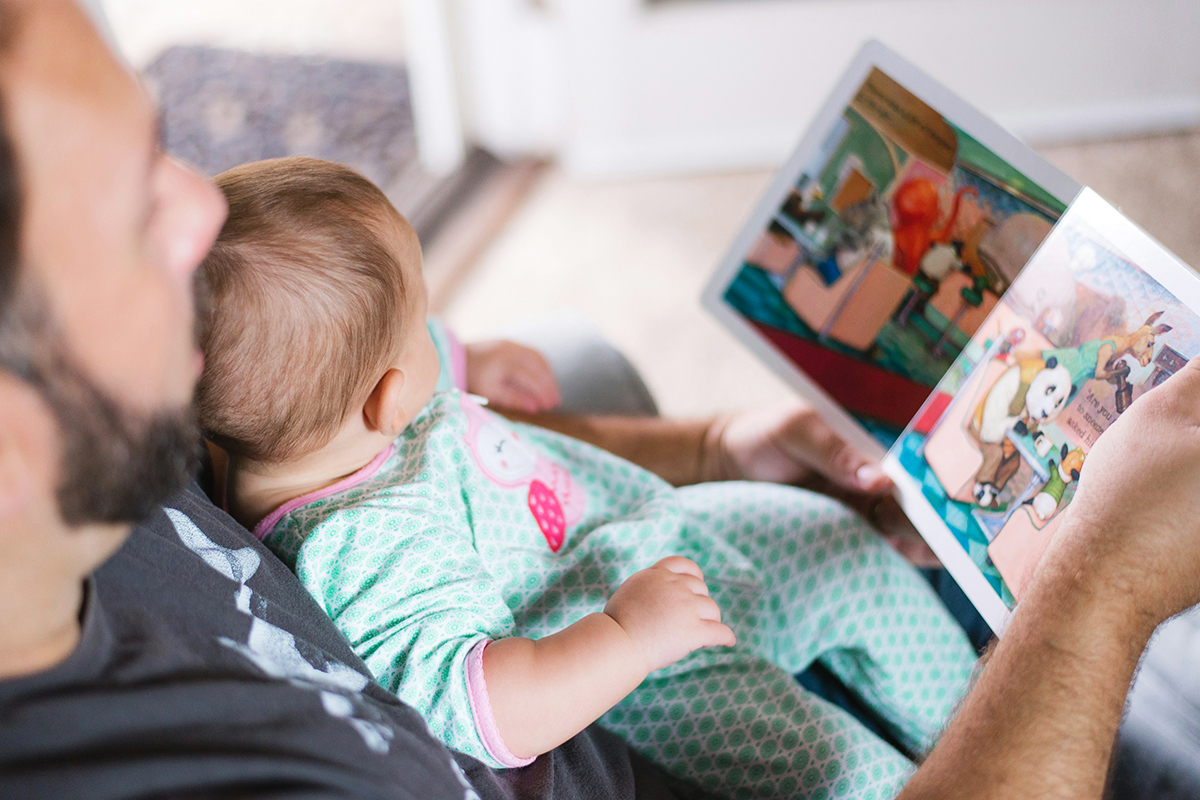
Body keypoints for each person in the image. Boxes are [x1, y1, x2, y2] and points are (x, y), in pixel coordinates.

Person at [0, 2, 1198, 798]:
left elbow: (427, 440)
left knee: (908, 518)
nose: (198, 211)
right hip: (657, 674)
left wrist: (713, 442)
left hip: (629, 549)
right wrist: (1105, 583)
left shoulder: (174, 409)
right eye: (125, 207)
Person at [195, 156, 976, 798]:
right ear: (389, 399)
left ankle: (976, 720)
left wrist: (467, 357)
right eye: (423, 322)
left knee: (837, 541)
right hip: (654, 669)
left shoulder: (314, 421)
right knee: (842, 776)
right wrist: (628, 637)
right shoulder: (365, 546)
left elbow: (382, 350)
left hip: (652, 530)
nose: (435, 331)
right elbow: (485, 706)